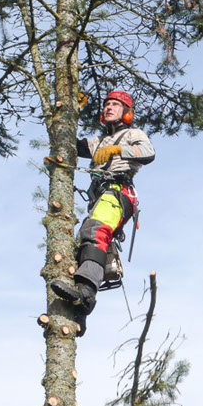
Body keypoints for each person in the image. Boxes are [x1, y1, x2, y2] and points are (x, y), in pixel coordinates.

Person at [51, 90, 155, 335]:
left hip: (118, 191)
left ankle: (86, 293)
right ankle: (79, 315)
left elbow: (149, 153)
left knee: (95, 231)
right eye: (107, 104)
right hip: (100, 197)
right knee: (82, 247)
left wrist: (118, 150)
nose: (109, 107)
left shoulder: (133, 134)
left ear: (126, 112)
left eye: (115, 104)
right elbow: (70, 144)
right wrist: (71, 112)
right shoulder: (98, 141)